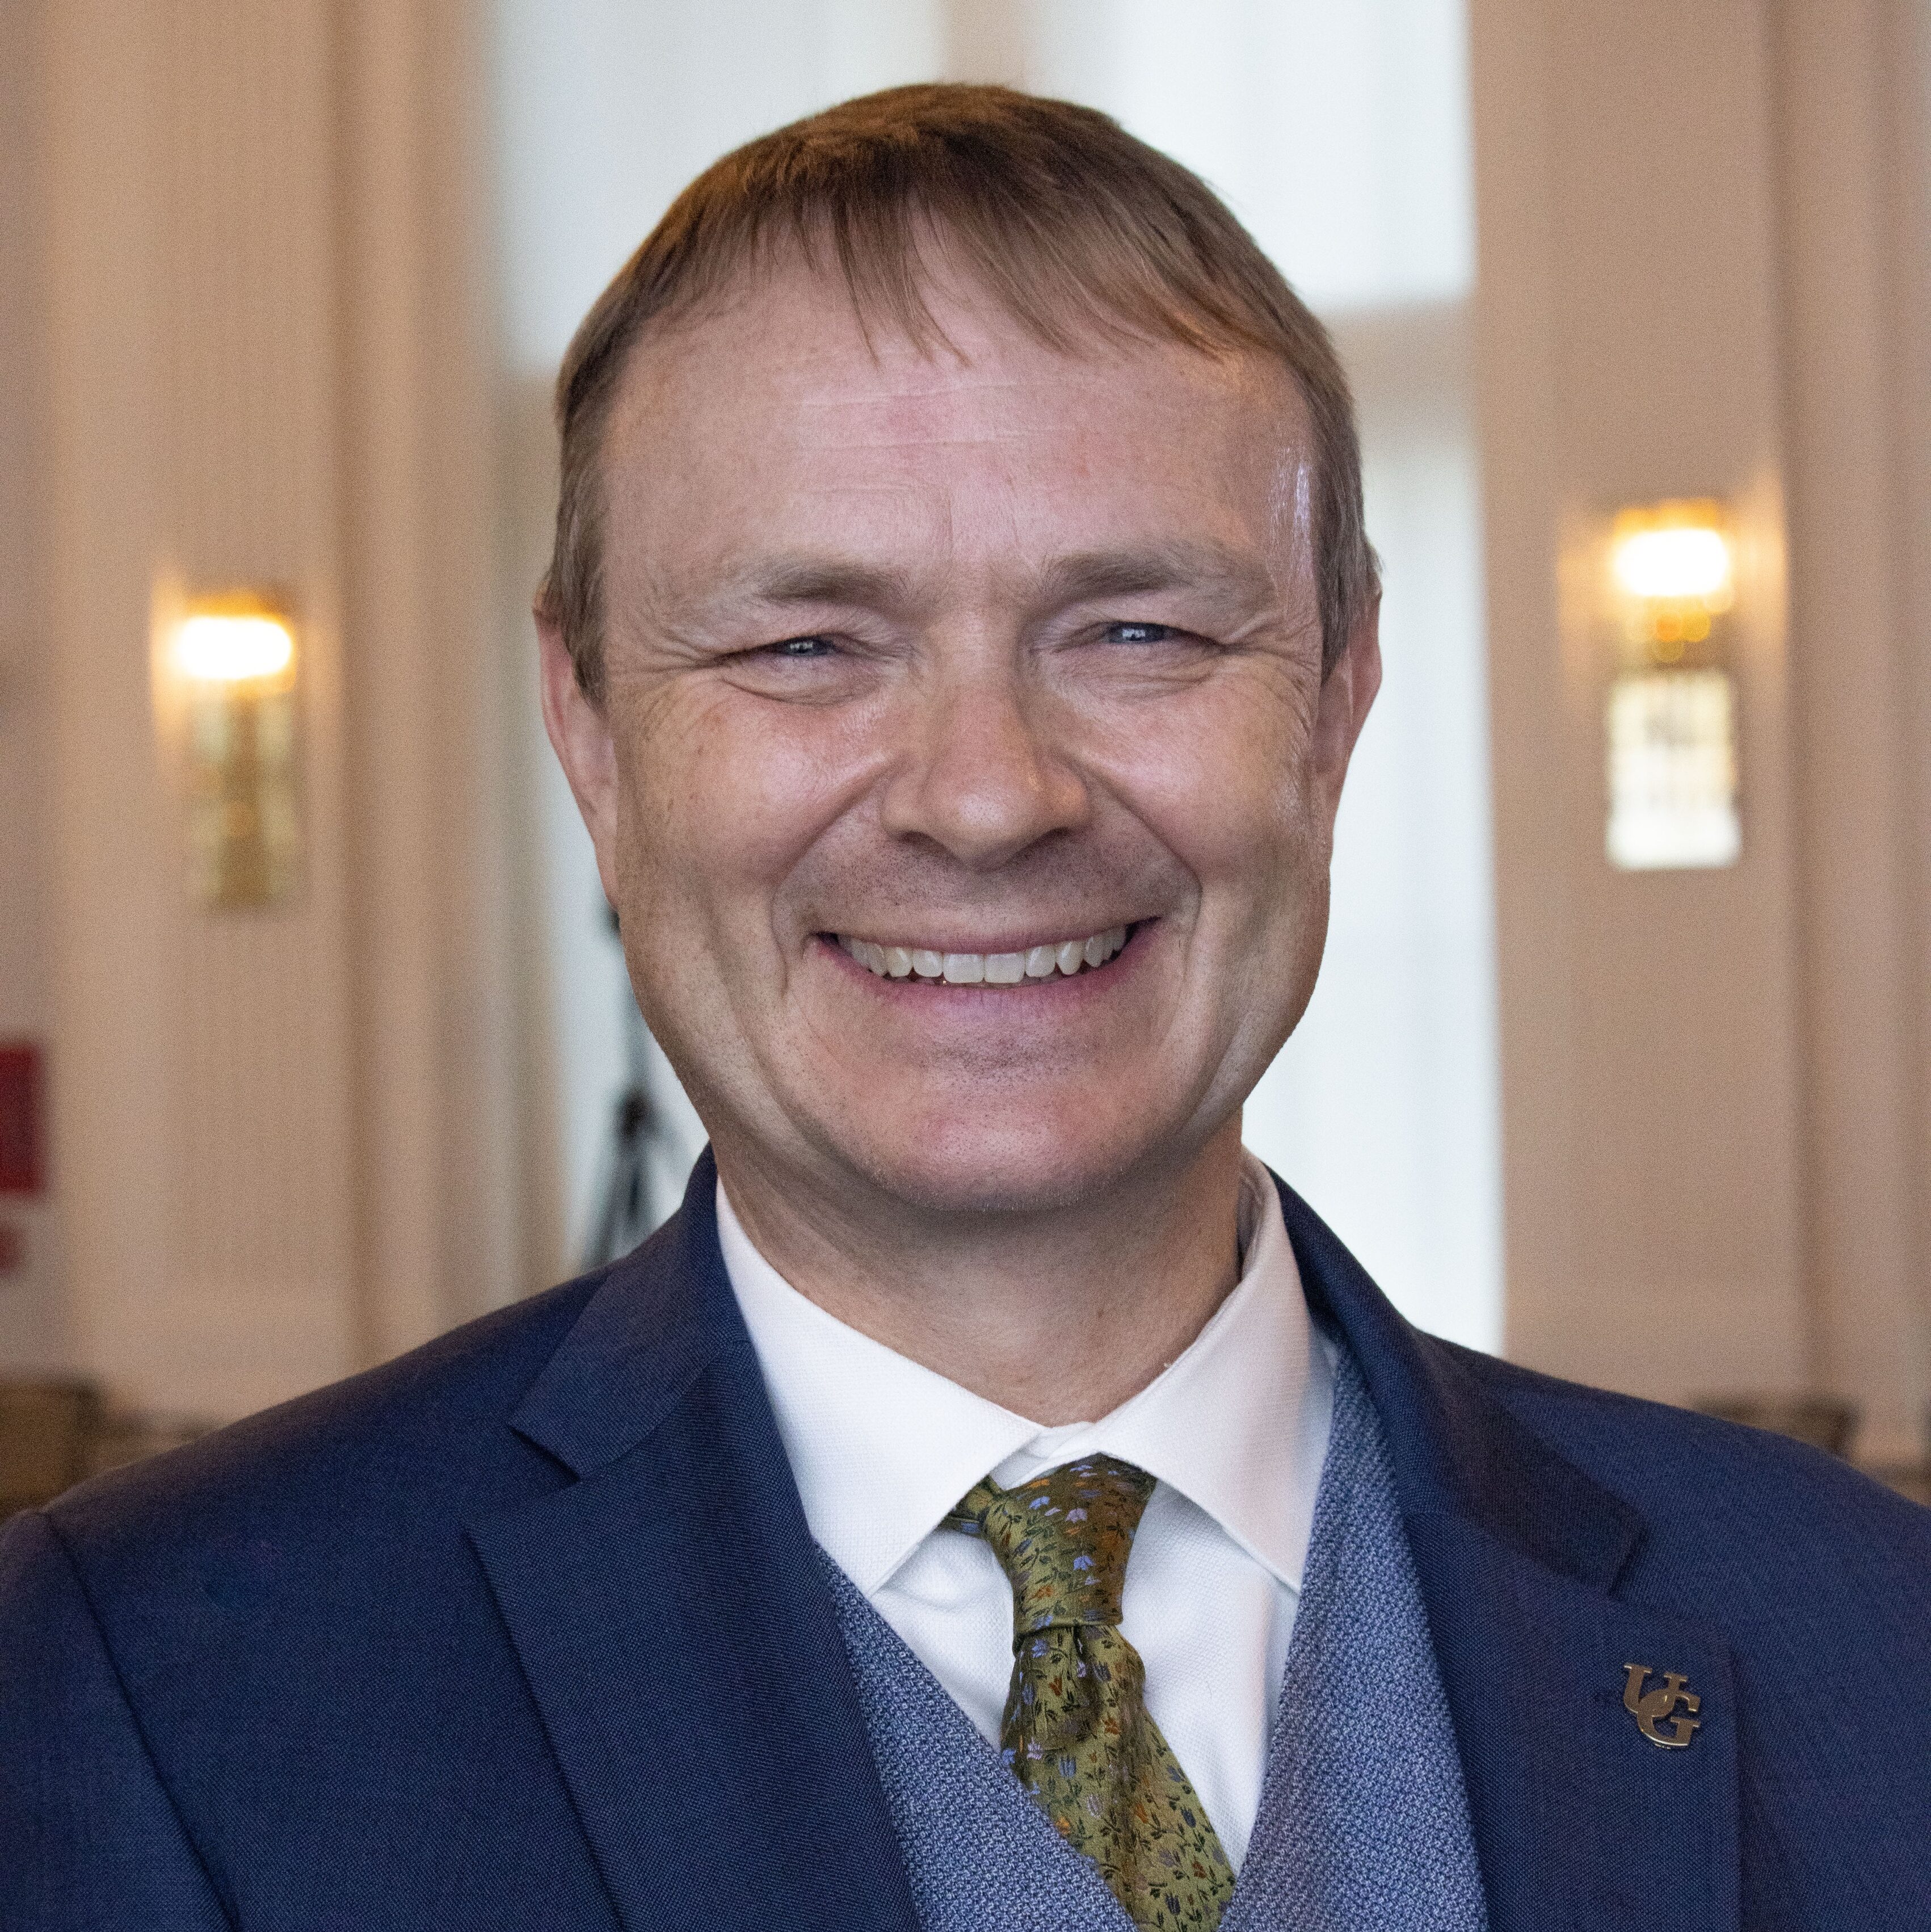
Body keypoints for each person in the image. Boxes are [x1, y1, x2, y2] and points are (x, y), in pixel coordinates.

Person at [2, 83, 1926, 1932]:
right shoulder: (160, 1679)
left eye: (1138, 631)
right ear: (587, 728)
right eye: (806, 645)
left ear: (1337, 694)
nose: (990, 796)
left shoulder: (1859, 1623)